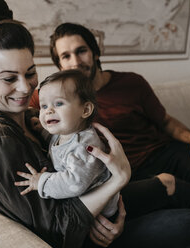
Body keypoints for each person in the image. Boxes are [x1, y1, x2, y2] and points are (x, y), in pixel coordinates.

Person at [0, 1, 190, 247]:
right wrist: (119, 179)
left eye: (30, 73)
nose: (26, 87)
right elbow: (58, 230)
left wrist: (115, 212)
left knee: (166, 182)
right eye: (9, 78)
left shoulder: (30, 117)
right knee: (187, 224)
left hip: (87, 205)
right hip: (80, 235)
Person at [30, 22, 190, 221]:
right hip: (127, 173)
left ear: (95, 52)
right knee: (158, 191)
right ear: (59, 64)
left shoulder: (131, 82)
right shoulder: (56, 101)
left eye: (81, 51)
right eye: (65, 56)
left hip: (164, 152)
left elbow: (164, 121)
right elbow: (32, 106)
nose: (75, 61)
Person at [16, 69, 119, 218]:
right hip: (84, 205)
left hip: (101, 211)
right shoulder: (67, 131)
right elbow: (56, 141)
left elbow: (74, 182)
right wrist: (43, 130)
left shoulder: (84, 146)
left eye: (58, 103)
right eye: (43, 106)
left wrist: (41, 182)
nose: (48, 111)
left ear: (85, 109)